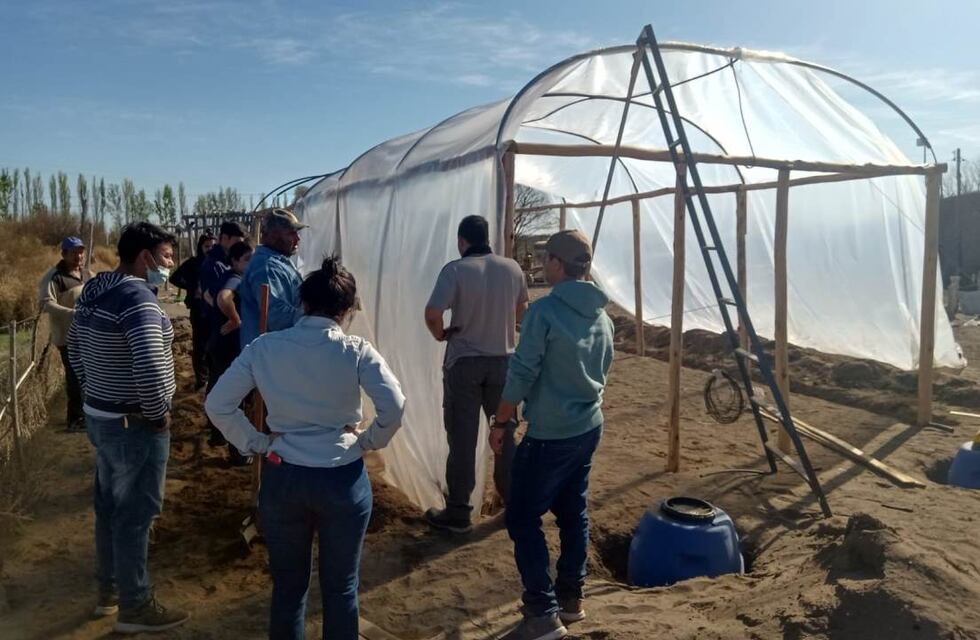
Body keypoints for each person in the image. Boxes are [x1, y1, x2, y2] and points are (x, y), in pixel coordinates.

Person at [206, 256, 405, 640]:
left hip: (284, 476)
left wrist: (257, 442)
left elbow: (218, 404)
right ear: (346, 310)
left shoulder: (265, 348)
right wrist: (366, 441)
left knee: (288, 589)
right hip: (343, 479)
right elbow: (395, 406)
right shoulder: (356, 350)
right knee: (342, 587)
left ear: (303, 304)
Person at [489, 230, 614, 640]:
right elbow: (605, 369)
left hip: (550, 435)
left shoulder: (545, 313)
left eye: (547, 259)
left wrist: (502, 421)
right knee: (572, 511)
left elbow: (522, 372)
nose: (543, 265)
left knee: (524, 517)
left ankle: (542, 613)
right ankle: (571, 598)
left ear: (559, 264)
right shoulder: (602, 316)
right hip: (587, 426)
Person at [67, 222, 189, 633]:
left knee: (109, 509)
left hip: (102, 416)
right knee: (137, 513)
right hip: (134, 422)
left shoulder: (95, 290)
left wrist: (93, 393)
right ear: (145, 257)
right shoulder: (138, 300)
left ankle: (109, 592)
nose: (170, 265)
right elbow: (151, 368)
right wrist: (157, 414)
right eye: (167, 257)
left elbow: (76, 350)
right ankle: (135, 606)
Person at [423, 215, 528, 533]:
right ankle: (512, 502)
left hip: (465, 363)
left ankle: (459, 512)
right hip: (504, 363)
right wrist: (502, 328)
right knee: (505, 435)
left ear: (462, 240)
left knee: (463, 438)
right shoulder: (512, 268)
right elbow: (522, 309)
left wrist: (441, 334)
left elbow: (432, 313)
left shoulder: (455, 269)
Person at [206, 240, 253, 465]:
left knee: (220, 393)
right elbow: (223, 297)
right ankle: (238, 453)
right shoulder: (235, 278)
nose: (250, 264)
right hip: (229, 348)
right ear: (234, 261)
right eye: (246, 259)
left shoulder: (223, 275)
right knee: (236, 400)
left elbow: (204, 293)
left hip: (219, 343)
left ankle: (218, 437)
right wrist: (235, 319)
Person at [38, 236, 92, 432]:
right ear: (64, 254)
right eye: (74, 252)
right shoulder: (54, 277)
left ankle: (87, 415)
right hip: (67, 337)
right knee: (74, 377)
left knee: (87, 375)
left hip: (87, 334)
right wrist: (72, 313)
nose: (79, 255)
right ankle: (75, 419)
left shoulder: (87, 274)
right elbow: (46, 303)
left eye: (81, 251)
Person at [200, 221, 247, 445]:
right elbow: (214, 296)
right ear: (225, 238)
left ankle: (218, 432)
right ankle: (220, 433)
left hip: (218, 335)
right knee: (224, 387)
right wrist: (234, 318)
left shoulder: (221, 263)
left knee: (219, 384)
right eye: (237, 241)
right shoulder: (219, 265)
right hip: (223, 336)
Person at [239, 208, 307, 349]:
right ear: (274, 236)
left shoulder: (278, 261)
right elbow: (277, 317)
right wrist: (316, 315)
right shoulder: (266, 267)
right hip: (267, 357)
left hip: (275, 353)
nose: (297, 238)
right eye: (291, 233)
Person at [168, 232, 216, 390]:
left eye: (213, 246)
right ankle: (201, 380)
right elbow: (174, 278)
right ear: (200, 247)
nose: (210, 249)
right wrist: (193, 287)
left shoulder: (220, 263)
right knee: (200, 345)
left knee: (214, 344)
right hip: (198, 308)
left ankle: (212, 377)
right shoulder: (194, 263)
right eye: (207, 246)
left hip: (215, 310)